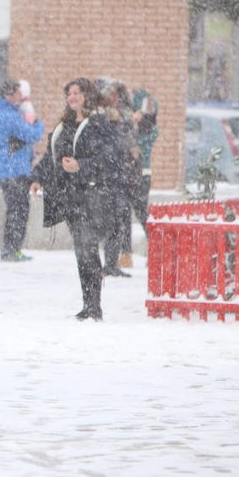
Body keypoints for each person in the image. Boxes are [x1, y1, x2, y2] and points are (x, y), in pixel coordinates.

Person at [31, 78, 119, 321]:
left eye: (77, 93)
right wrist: (38, 177)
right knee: (81, 252)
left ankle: (94, 307)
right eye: (69, 93)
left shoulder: (100, 125)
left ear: (87, 96)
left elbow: (110, 162)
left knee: (88, 250)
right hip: (69, 198)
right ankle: (87, 305)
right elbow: (51, 156)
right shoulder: (64, 126)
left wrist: (81, 166)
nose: (72, 97)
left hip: (92, 197)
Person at [0, 79, 44, 262]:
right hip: (15, 170)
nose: (22, 97)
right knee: (19, 212)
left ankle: (10, 249)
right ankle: (12, 250)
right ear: (11, 94)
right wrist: (37, 123)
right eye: (19, 93)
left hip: (6, 170)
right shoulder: (10, 115)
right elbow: (31, 134)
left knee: (15, 210)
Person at [96, 78, 139, 278]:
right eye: (110, 95)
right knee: (109, 220)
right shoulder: (101, 116)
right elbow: (114, 141)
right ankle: (104, 264)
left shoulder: (120, 114)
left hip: (119, 174)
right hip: (106, 175)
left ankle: (111, 263)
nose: (114, 98)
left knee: (120, 218)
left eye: (116, 95)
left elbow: (126, 139)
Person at [130, 87, 158, 232]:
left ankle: (153, 240)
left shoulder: (149, 130)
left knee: (141, 211)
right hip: (128, 174)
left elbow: (141, 146)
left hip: (142, 173)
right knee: (127, 213)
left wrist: (134, 124)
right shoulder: (129, 126)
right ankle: (126, 251)